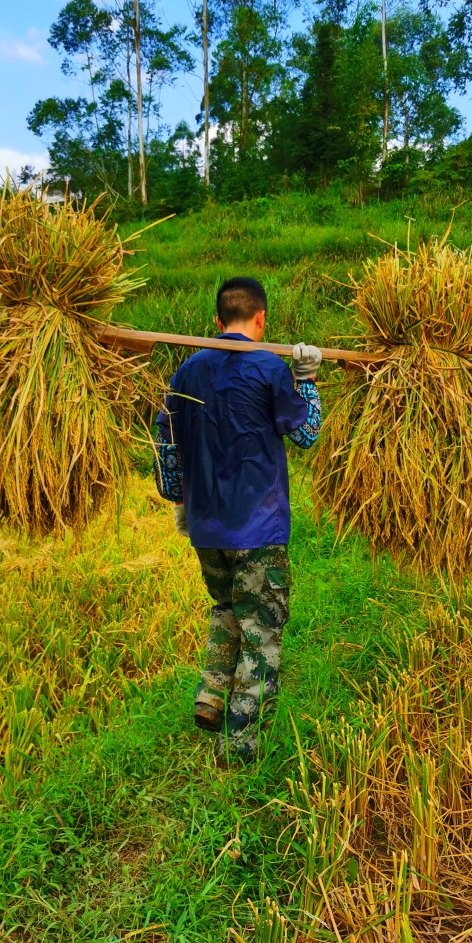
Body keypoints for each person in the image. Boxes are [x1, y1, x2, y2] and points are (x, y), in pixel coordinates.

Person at [154, 276, 322, 762]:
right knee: (262, 627)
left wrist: (179, 497)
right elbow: (306, 434)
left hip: (206, 527)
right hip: (258, 528)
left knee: (227, 606)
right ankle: (239, 748)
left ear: (217, 320)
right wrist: (306, 381)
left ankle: (211, 695)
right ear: (261, 318)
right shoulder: (269, 369)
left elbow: (166, 446)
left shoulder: (185, 372)